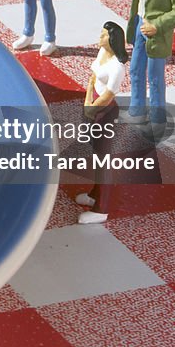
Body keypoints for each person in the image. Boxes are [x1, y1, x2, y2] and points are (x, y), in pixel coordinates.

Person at [77, 22, 129, 224]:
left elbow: (108, 95)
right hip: (94, 106)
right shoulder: (101, 54)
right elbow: (92, 80)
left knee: (103, 161)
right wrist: (87, 103)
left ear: (112, 39)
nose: (100, 37)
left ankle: (102, 209)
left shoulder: (117, 67)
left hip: (105, 112)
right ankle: (95, 195)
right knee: (95, 155)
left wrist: (91, 108)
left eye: (104, 34)